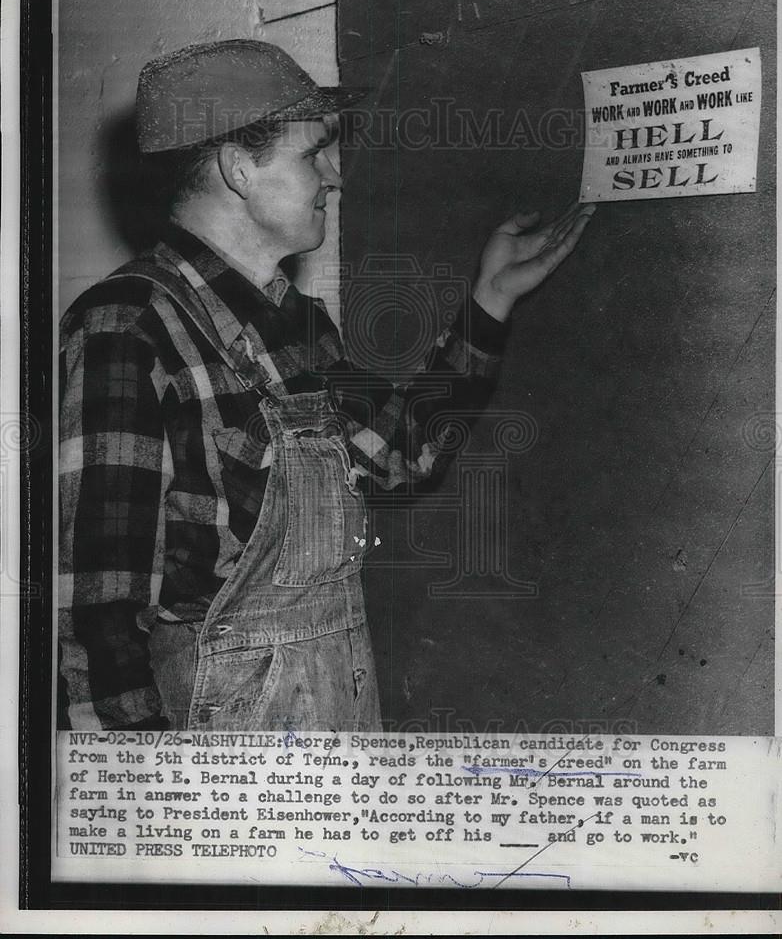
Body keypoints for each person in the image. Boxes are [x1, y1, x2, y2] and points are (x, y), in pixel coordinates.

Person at [58, 39, 595, 732]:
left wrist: (488, 301)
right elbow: (92, 622)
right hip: (214, 778)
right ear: (239, 168)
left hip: (332, 722)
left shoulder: (295, 322)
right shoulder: (124, 326)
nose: (335, 175)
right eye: (314, 152)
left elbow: (402, 459)